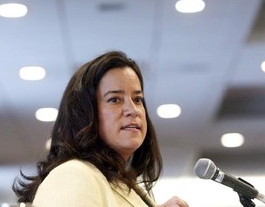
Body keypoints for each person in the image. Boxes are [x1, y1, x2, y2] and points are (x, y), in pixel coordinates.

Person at [13, 50, 189, 207]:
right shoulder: (72, 175)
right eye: (115, 99)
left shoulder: (122, 184)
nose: (133, 110)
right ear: (84, 114)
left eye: (137, 99)